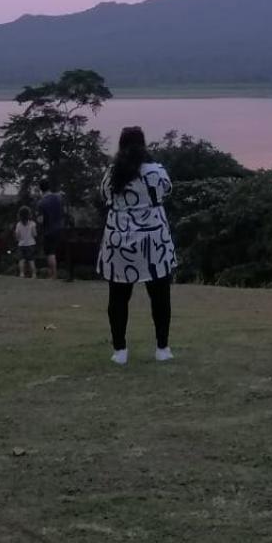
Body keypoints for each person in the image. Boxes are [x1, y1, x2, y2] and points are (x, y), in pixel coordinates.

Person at [98, 127, 176, 366]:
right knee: (160, 296)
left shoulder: (112, 173)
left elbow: (104, 197)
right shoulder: (156, 172)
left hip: (119, 240)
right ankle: (162, 347)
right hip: (154, 242)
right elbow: (167, 190)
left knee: (118, 297)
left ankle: (120, 350)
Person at [37, 178, 65, 279]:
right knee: (55, 252)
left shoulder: (41, 203)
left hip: (49, 230)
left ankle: (53, 274)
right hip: (60, 228)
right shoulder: (58, 198)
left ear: (40, 189)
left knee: (50, 253)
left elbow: (41, 220)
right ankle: (53, 274)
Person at [15, 205, 38, 278]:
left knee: (21, 260)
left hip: (21, 244)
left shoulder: (18, 224)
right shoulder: (32, 223)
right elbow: (34, 234)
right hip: (31, 243)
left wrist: (19, 239)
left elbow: (17, 235)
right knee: (31, 260)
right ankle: (34, 274)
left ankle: (22, 273)